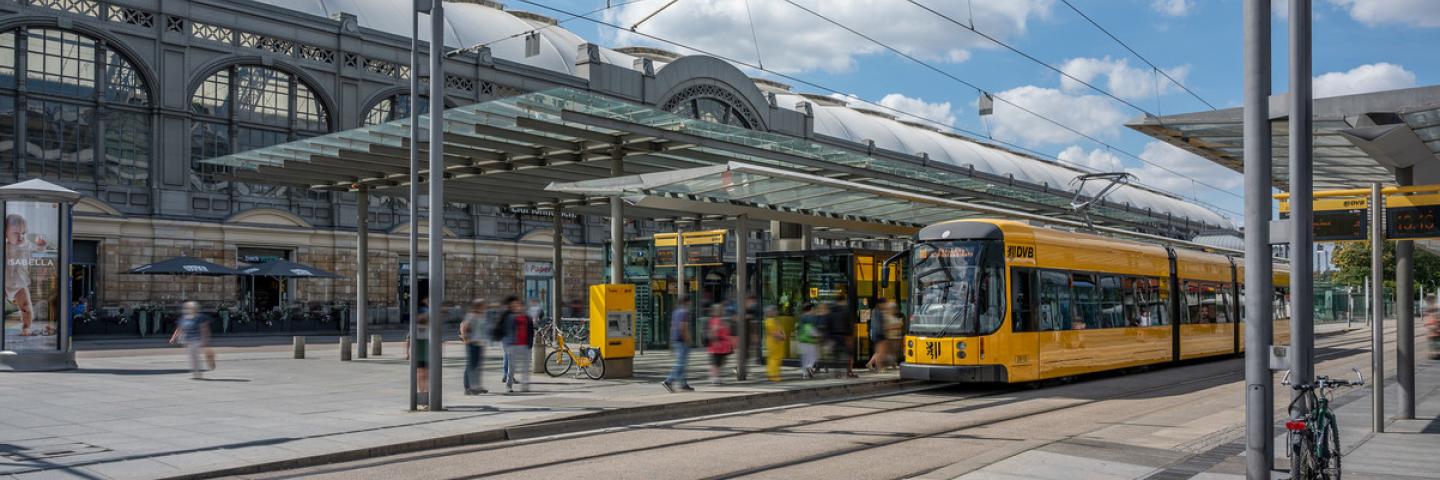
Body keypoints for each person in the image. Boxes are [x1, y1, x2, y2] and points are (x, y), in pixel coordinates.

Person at [5, 213, 47, 337]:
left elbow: (38, 251)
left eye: (23, 233)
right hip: (3, 282)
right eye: (16, 233)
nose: (21, 237)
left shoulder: (27, 245)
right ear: (5, 232)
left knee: (26, 306)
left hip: (20, 284)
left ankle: (26, 327)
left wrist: (41, 245)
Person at [169, 301, 212, 379]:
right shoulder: (184, 318)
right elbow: (179, 328)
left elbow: (204, 328)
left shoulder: (200, 317)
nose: (191, 309)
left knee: (194, 356)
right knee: (192, 356)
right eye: (189, 308)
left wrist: (205, 339)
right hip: (187, 340)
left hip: (196, 339)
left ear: (195, 309)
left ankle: (197, 373)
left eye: (192, 308)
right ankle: (196, 372)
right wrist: (173, 337)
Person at [502, 296, 534, 393]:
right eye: (516, 306)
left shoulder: (527, 318)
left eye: (520, 306)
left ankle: (525, 386)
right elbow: (506, 331)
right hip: (513, 345)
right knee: (512, 368)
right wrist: (507, 344)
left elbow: (531, 332)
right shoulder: (511, 317)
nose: (518, 307)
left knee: (525, 368)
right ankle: (509, 386)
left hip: (525, 345)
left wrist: (530, 344)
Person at [662, 296, 694, 392]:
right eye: (689, 302)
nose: (690, 304)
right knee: (681, 364)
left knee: (682, 363)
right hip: (682, 341)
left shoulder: (675, 312)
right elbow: (683, 328)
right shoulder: (684, 312)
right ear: (686, 302)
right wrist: (688, 339)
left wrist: (671, 342)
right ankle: (669, 381)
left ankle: (683, 384)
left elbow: (673, 327)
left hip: (676, 340)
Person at [459, 299, 488, 395]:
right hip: (471, 343)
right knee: (470, 366)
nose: (484, 307)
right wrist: (465, 339)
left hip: (480, 343)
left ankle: (476, 386)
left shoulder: (482, 315)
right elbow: (463, 326)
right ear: (478, 306)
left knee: (477, 366)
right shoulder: (471, 316)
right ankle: (467, 387)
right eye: (483, 305)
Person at [828, 294, 857, 378]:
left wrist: (829, 337)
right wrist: (851, 336)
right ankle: (849, 372)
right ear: (843, 301)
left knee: (836, 355)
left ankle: (837, 373)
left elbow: (828, 324)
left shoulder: (832, 311)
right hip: (845, 336)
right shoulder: (846, 311)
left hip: (834, 336)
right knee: (849, 355)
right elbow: (850, 325)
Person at [706, 303, 735, 385]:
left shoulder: (720, 320)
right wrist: (715, 342)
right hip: (718, 346)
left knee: (720, 362)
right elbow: (714, 332)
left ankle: (716, 377)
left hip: (722, 346)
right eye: (720, 310)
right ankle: (715, 377)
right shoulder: (716, 320)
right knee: (717, 362)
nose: (722, 311)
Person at [797, 302, 823, 379]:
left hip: (802, 340)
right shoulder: (813, 318)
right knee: (813, 356)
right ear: (811, 309)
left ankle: (805, 374)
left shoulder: (801, 317)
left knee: (804, 358)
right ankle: (809, 366)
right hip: (811, 340)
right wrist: (819, 336)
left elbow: (798, 328)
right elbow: (815, 328)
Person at [414, 298, 431, 407]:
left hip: (427, 354)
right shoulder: (415, 328)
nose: (423, 316)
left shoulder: (430, 328)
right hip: (420, 355)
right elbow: (408, 341)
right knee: (421, 375)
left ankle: (425, 394)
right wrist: (407, 353)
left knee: (425, 375)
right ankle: (421, 393)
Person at [763, 305, 786, 382]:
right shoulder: (770, 321)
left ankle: (773, 374)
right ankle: (773, 375)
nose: (777, 312)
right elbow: (775, 333)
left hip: (777, 343)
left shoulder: (773, 320)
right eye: (774, 311)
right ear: (770, 312)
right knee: (774, 359)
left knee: (775, 359)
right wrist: (782, 337)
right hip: (774, 343)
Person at [865, 299, 888, 372]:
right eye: (884, 304)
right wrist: (882, 334)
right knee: (880, 352)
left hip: (876, 334)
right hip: (879, 334)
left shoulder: (875, 311)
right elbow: (878, 325)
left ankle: (870, 363)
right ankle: (879, 367)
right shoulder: (878, 312)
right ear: (880, 304)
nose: (885, 305)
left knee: (879, 351)